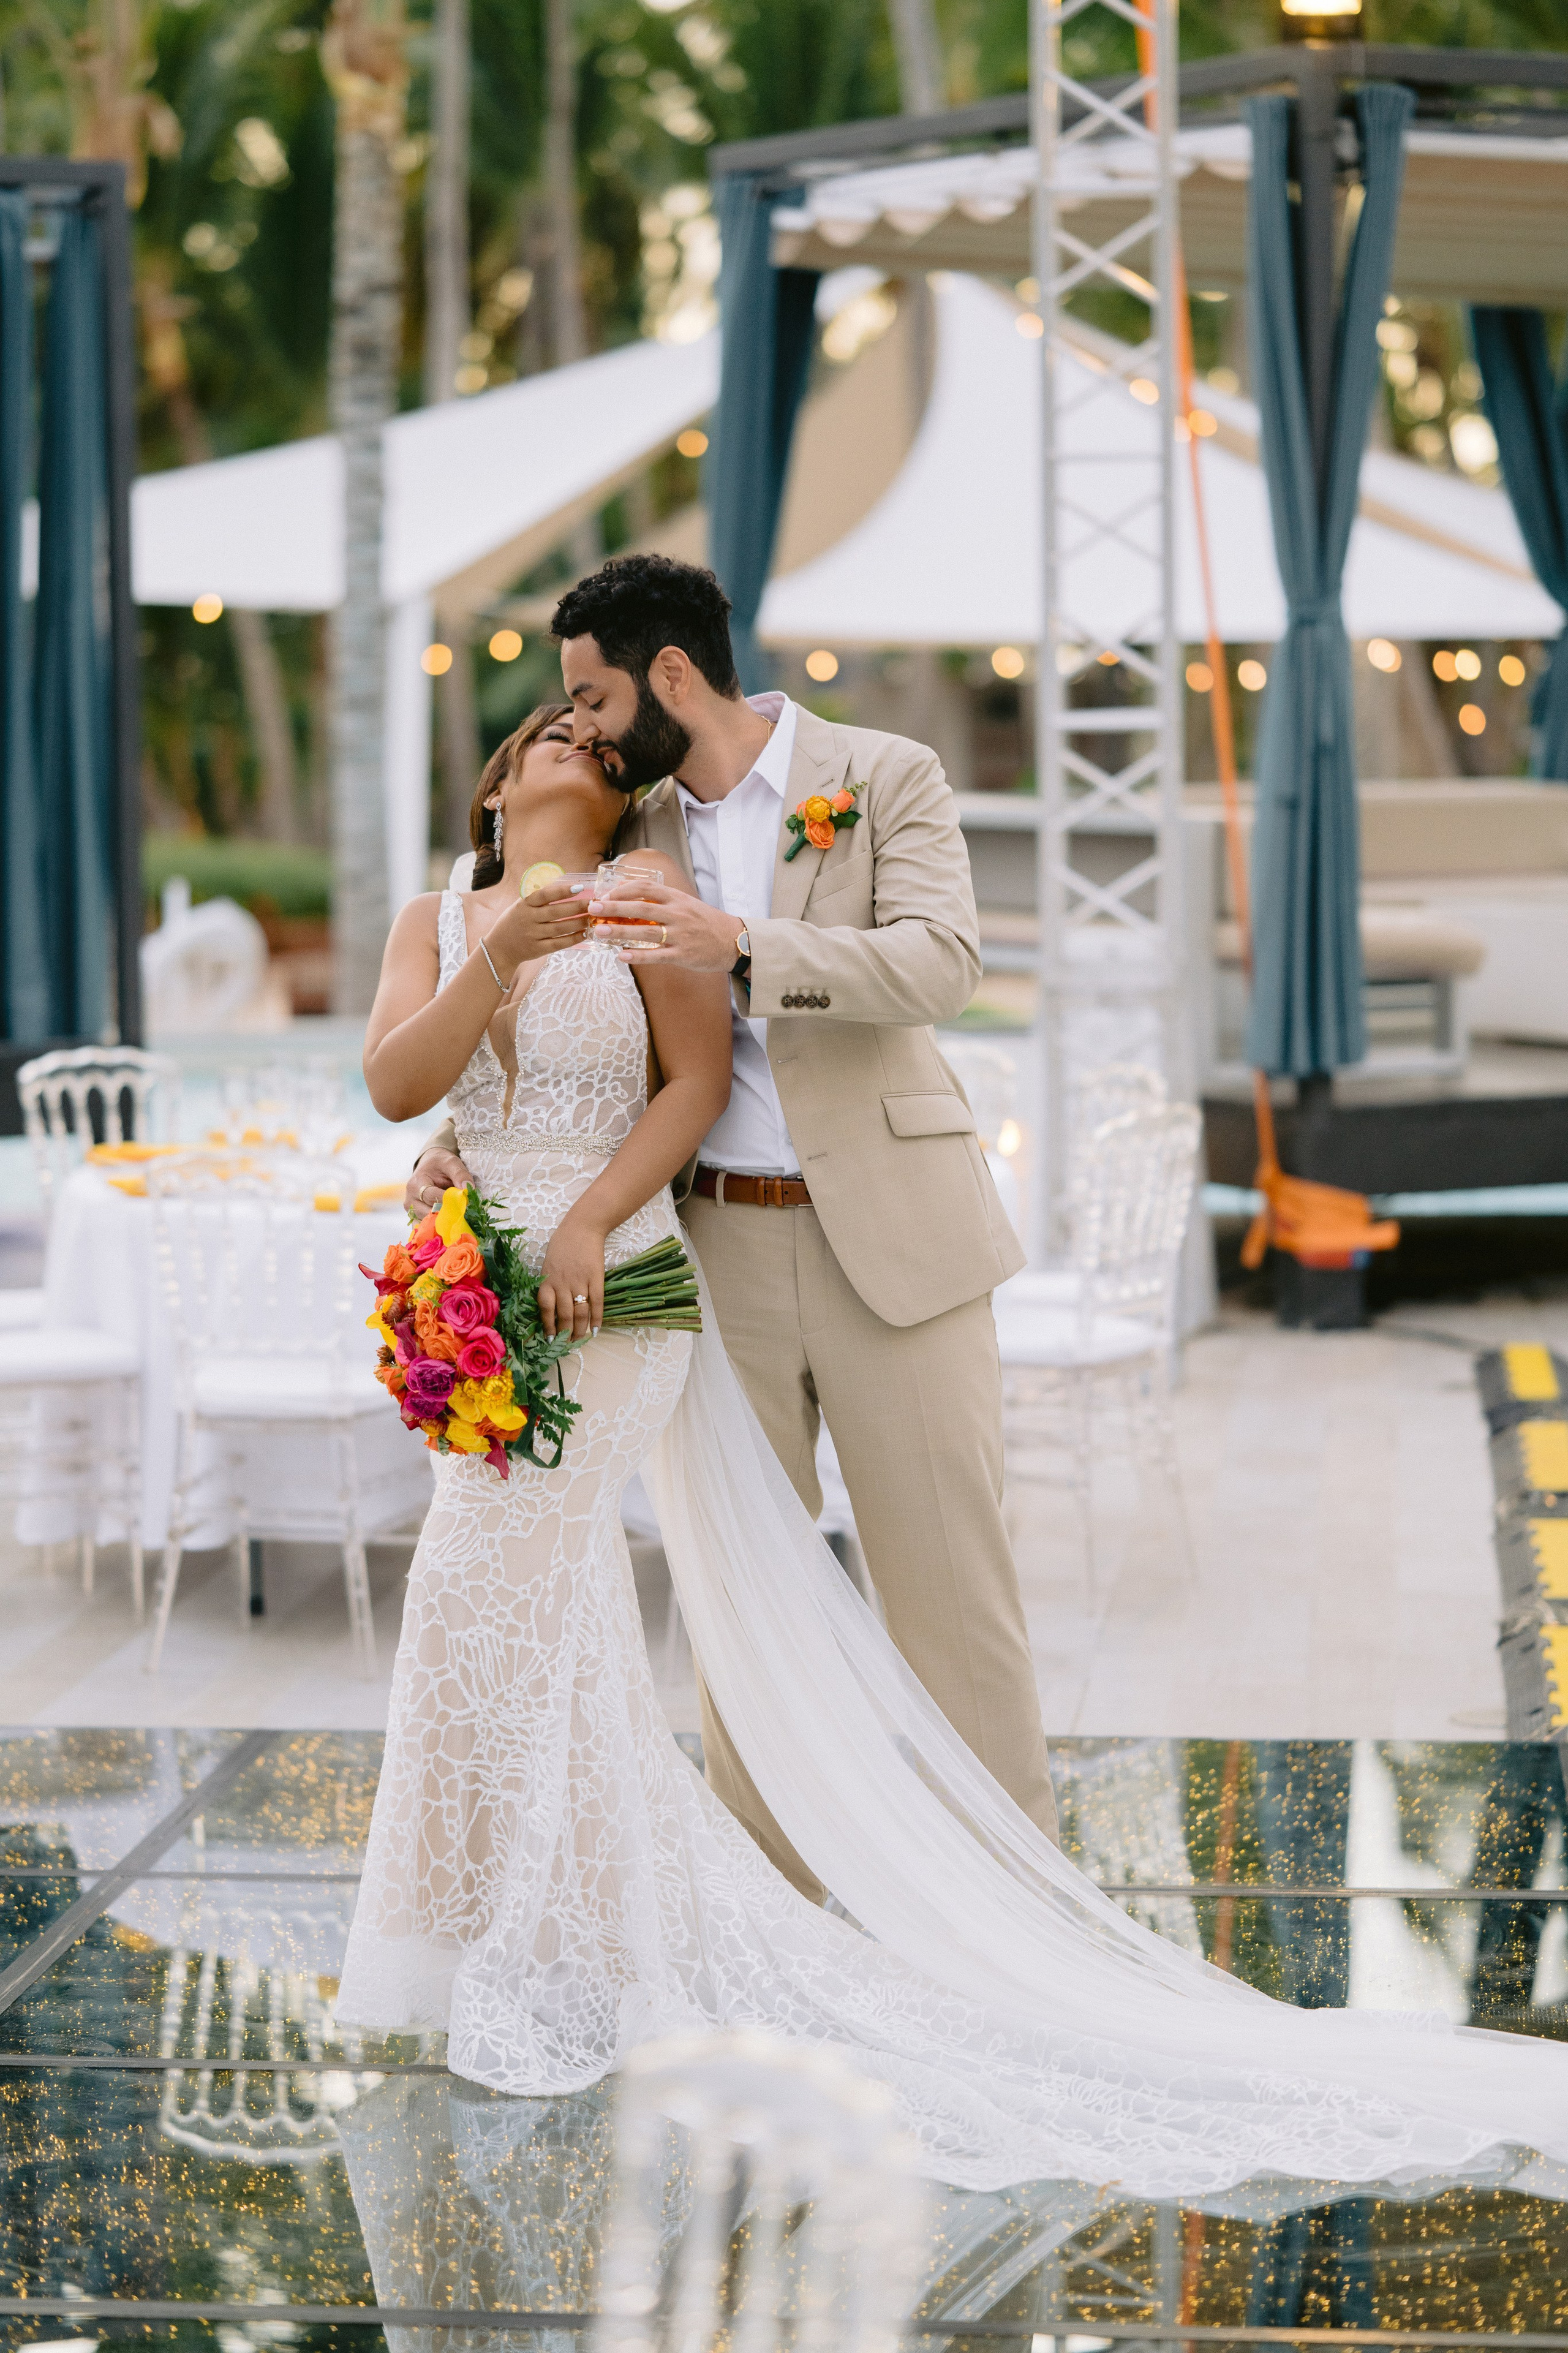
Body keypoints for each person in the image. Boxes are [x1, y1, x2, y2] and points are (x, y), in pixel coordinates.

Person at [339, 684, 1568, 2197]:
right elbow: (401, 1084)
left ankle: (940, 1927)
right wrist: (491, 998)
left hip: (622, 1287)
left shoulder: (650, 890)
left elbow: (704, 1080)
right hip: (481, 1284)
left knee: (558, 1589)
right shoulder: (432, 918)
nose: (585, 751)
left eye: (608, 744)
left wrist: (589, 1206)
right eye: (556, 734)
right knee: (499, 1602)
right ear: (496, 778)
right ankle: (517, 1937)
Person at [408, 554, 1057, 1898]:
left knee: (952, 1603)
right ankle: (787, 1914)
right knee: (743, 1614)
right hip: (710, 1257)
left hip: (897, 1244)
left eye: (589, 697)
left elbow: (943, 963)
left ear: (671, 676)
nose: (576, 728)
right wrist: (459, 1143)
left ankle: (1015, 1911)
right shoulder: (622, 828)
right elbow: (573, 1045)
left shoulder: (881, 776)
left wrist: (739, 942)